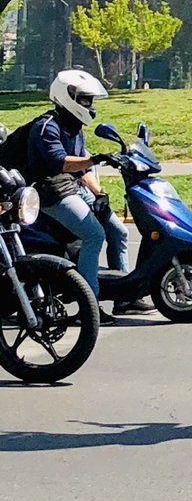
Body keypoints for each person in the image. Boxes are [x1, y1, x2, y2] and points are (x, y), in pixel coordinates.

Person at [21, 68, 144, 323]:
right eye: (84, 99)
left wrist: (99, 193)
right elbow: (62, 162)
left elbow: (83, 170)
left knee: (118, 231)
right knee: (93, 235)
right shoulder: (46, 127)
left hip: (73, 187)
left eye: (90, 99)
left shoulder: (75, 127)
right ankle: (90, 305)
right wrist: (95, 159)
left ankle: (124, 297)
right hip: (52, 192)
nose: (89, 104)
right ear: (67, 97)